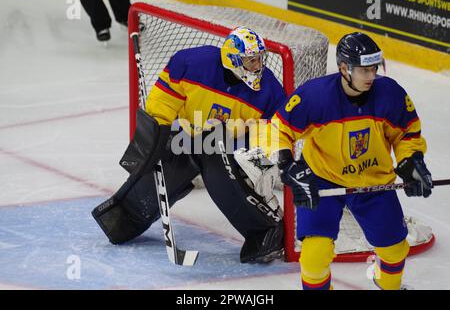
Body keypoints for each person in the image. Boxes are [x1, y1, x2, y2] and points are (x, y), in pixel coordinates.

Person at [92, 27, 287, 263]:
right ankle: (128, 215)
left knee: (220, 165)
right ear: (233, 60)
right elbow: (162, 104)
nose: (258, 66)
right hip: (186, 136)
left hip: (232, 148)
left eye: (259, 59)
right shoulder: (193, 64)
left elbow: (275, 130)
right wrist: (156, 138)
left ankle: (264, 231)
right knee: (167, 162)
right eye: (251, 60)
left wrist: (255, 153)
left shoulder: (270, 90)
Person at [259, 32, 432, 289]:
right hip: (321, 180)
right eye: (364, 70)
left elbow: (408, 133)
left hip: (373, 181)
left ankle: (388, 284)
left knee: (395, 250)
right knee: (314, 258)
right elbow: (275, 130)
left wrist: (410, 161)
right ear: (343, 68)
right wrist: (288, 166)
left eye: (374, 68)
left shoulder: (391, 94)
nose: (371, 76)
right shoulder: (315, 96)